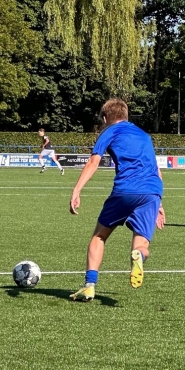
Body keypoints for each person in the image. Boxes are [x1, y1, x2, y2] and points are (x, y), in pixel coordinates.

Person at [69, 98, 165, 301]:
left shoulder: (110, 131)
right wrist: (160, 203)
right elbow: (156, 169)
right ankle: (139, 256)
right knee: (141, 243)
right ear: (126, 116)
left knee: (99, 236)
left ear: (105, 118)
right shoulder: (144, 135)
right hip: (152, 192)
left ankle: (89, 285)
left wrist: (77, 189)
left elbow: (94, 161)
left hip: (126, 189)